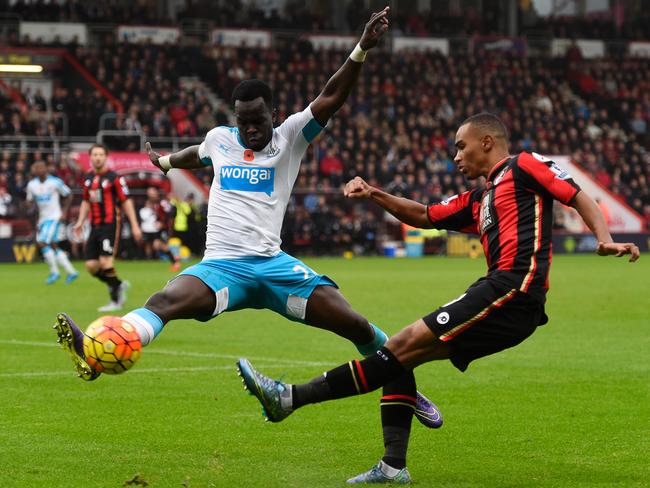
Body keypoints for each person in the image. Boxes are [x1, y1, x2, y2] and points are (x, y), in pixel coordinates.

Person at [53, 7, 441, 428]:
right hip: (221, 269)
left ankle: (404, 382)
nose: (250, 129)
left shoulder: (291, 136)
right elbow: (195, 156)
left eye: (258, 120)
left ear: (273, 115)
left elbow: (330, 97)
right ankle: (98, 351)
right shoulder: (221, 139)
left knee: (354, 323)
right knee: (163, 302)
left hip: (275, 269)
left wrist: (362, 47)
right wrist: (164, 162)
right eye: (243, 121)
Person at [236, 113, 640, 484]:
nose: (455, 156)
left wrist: (603, 239)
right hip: (500, 294)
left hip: (514, 289)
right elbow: (424, 215)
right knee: (398, 353)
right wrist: (375, 193)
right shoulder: (480, 198)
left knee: (401, 346)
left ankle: (289, 398)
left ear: (486, 142)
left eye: (461, 147)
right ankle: (392, 466)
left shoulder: (523, 165)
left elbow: (577, 195)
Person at [73, 144, 143, 312]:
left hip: (110, 224)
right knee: (91, 266)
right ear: (90, 158)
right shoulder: (88, 178)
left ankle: (115, 300)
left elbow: (126, 201)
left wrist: (135, 225)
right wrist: (80, 221)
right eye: (95, 155)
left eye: (100, 155)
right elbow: (85, 201)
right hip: (94, 225)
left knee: (106, 262)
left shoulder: (114, 178)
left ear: (105, 157)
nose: (97, 157)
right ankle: (118, 284)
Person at [25, 160, 78, 284]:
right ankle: (71, 272)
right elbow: (30, 201)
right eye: (36, 168)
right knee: (53, 244)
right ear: (34, 170)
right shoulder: (31, 185)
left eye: (41, 167)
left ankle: (54, 272)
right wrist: (28, 204)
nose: (39, 170)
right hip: (43, 219)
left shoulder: (55, 182)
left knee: (42, 242)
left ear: (46, 169)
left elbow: (69, 194)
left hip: (54, 217)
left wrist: (64, 211)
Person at [139, 186, 180, 271]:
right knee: (157, 245)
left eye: (152, 192)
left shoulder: (162, 202)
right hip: (158, 229)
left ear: (156, 193)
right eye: (149, 193)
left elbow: (172, 212)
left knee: (158, 245)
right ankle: (174, 260)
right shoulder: (153, 204)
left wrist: (163, 224)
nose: (151, 194)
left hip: (165, 228)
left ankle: (175, 261)